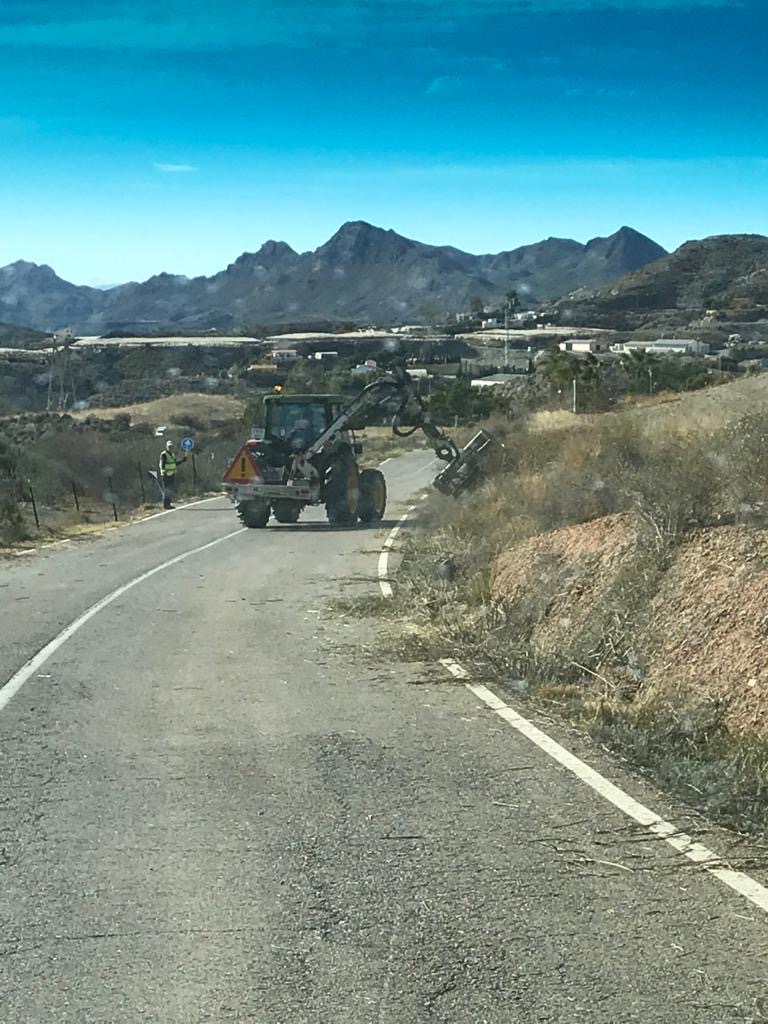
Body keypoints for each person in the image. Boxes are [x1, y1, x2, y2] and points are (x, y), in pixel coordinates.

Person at [158, 440, 187, 509]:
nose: (171, 448)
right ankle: (166, 505)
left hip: (172, 474)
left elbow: (174, 463)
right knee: (167, 490)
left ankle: (168, 504)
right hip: (166, 475)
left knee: (170, 489)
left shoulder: (172, 454)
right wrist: (164, 472)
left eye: (171, 447)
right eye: (169, 446)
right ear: (167, 447)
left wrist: (182, 460)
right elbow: (162, 465)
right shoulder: (164, 454)